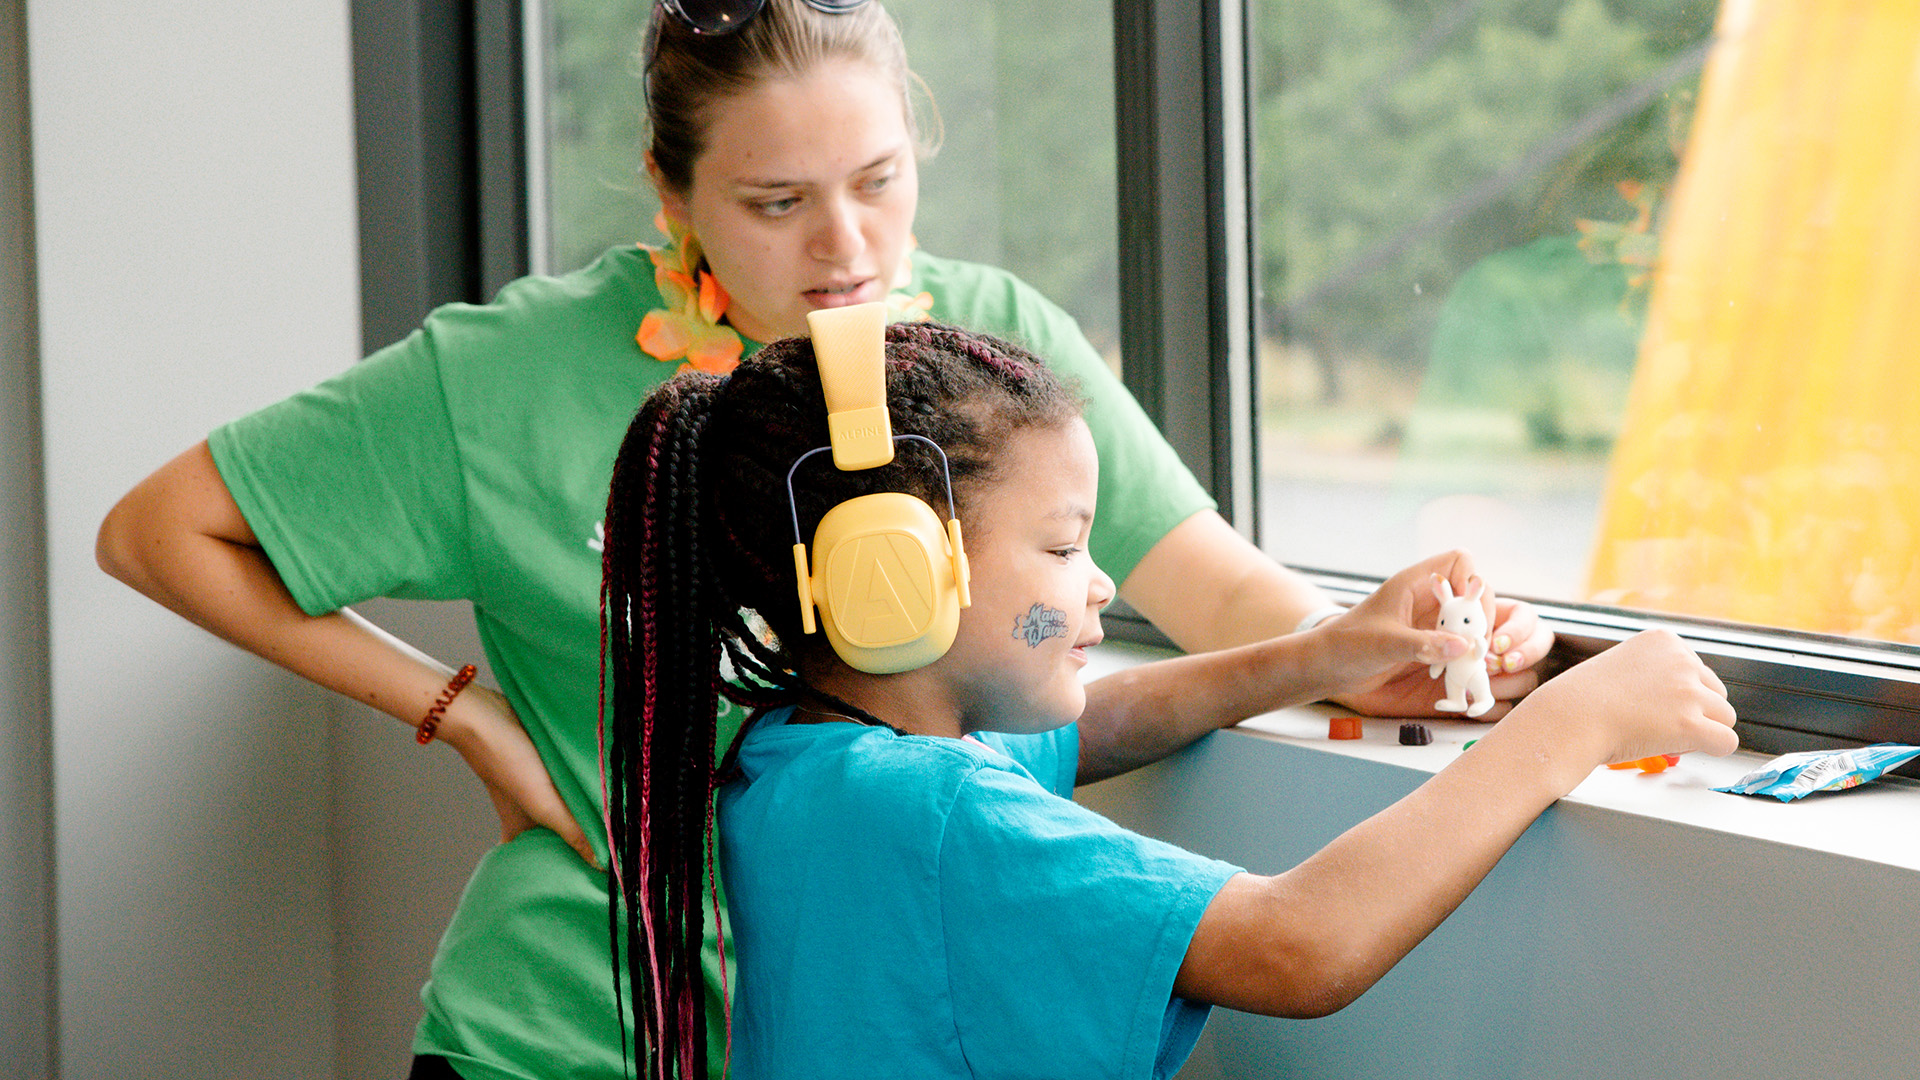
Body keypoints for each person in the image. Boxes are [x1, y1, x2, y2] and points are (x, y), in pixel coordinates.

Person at [92, 1, 1551, 1076]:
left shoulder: (985, 355)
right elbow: (164, 532)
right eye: (775, 205)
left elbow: (1200, 586)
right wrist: (461, 715)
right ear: (672, 195)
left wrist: (1413, 654)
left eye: (880, 184)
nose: (847, 251)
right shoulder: (501, 379)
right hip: (573, 1035)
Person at [601, 317, 1739, 1079]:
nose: (1096, 581)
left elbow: (1085, 728)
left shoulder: (803, 758)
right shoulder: (933, 810)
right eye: (1062, 546)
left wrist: (1318, 657)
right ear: (889, 577)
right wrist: (1570, 721)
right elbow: (1301, 946)